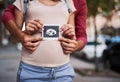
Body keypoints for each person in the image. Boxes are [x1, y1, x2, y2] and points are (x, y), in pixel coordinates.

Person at [2, 0, 87, 82]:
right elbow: (14, 39)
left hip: (63, 72)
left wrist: (71, 36)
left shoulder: (68, 3)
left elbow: (73, 38)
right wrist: (25, 33)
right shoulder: (24, 1)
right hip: (31, 71)